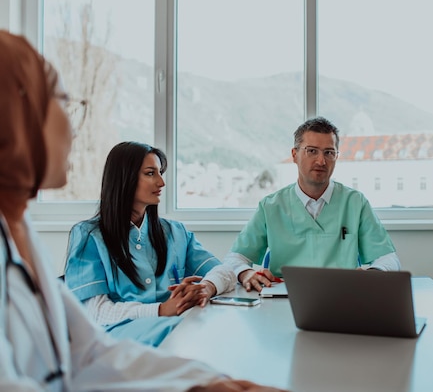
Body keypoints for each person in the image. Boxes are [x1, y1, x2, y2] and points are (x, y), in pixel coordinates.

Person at [0, 30, 285, 391]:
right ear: (14, 113)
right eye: (62, 102)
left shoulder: (21, 235)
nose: (74, 129)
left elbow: (90, 353)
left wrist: (208, 384)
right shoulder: (87, 237)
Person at [64, 141, 236, 346]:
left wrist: (206, 288)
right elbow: (96, 312)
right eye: (150, 173)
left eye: (160, 172)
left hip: (174, 332)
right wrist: (162, 310)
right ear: (124, 179)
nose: (161, 182)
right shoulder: (88, 236)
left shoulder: (175, 232)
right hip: (117, 342)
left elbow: (226, 272)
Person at [223, 117, 400, 292]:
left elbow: (389, 258)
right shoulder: (270, 206)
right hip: (285, 299)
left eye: (329, 153)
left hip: (344, 296)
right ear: (294, 155)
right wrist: (245, 272)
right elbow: (234, 258)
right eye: (312, 151)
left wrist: (375, 272)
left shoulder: (355, 203)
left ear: (336, 157)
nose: (321, 161)